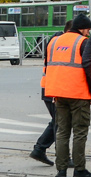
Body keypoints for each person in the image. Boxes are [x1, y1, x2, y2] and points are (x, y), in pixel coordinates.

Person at [44, 14, 91, 177]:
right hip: (78, 93)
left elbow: (50, 66)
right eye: (88, 29)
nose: (88, 32)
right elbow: (89, 68)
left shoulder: (53, 41)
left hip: (58, 94)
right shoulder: (82, 42)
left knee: (62, 132)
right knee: (80, 132)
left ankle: (61, 171)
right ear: (82, 28)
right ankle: (79, 170)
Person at [29, 21, 69, 166]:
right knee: (60, 123)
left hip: (49, 89)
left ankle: (40, 150)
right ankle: (60, 156)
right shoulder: (58, 50)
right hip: (52, 89)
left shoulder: (53, 47)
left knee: (57, 121)